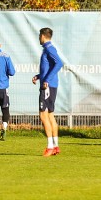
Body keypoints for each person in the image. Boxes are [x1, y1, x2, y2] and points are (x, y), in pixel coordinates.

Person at [32, 27, 63, 157]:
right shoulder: (48, 48)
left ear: (43, 36)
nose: (39, 38)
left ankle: (50, 147)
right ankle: (55, 146)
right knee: (50, 115)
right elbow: (49, 67)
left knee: (43, 116)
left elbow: (59, 63)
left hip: (48, 87)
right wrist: (39, 76)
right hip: (50, 85)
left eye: (39, 36)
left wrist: (47, 80)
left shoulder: (49, 48)